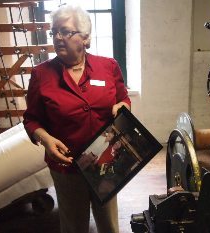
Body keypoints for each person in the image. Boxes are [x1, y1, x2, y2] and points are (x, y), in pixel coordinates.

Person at [23, 4, 130, 233]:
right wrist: (45, 140)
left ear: (85, 38)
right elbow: (31, 119)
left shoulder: (108, 66)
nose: (58, 38)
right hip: (67, 166)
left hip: (105, 161)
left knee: (109, 224)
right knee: (73, 226)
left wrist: (123, 106)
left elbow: (123, 100)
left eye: (65, 32)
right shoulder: (41, 75)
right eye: (54, 32)